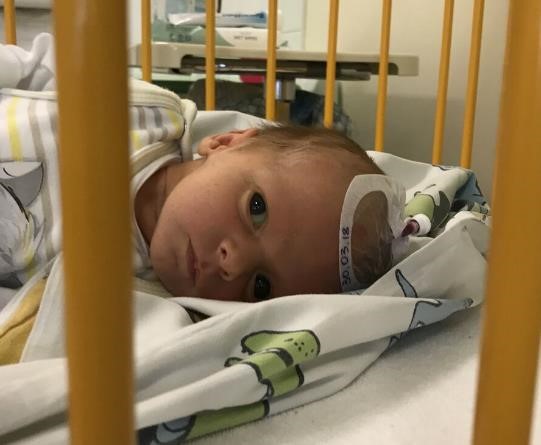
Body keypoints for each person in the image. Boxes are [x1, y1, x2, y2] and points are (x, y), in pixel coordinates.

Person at [0, 34, 398, 302]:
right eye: (256, 208)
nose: (232, 264)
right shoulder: (151, 116)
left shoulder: (129, 294)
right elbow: (40, 68)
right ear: (226, 142)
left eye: (260, 286)